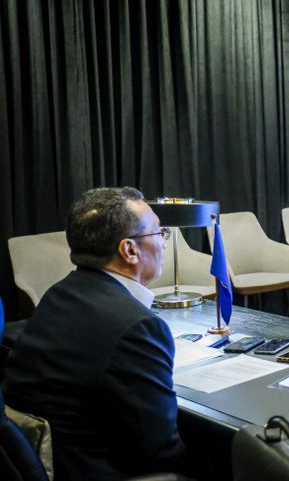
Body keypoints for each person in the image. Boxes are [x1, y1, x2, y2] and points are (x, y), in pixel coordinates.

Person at [3, 187, 194, 480]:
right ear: (129, 250)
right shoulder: (136, 326)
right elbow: (160, 453)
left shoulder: (60, 293)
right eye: (160, 233)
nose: (165, 242)